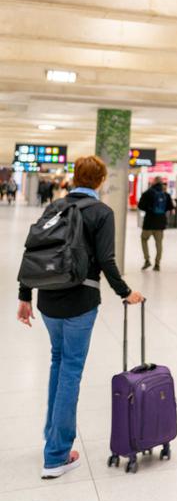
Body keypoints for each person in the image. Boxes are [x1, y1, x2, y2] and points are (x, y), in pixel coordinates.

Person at [17, 155, 144, 479]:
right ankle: (57, 455)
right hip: (80, 301)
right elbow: (106, 259)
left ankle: (52, 437)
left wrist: (24, 296)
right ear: (100, 181)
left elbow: (33, 249)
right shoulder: (101, 212)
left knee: (58, 363)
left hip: (48, 299)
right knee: (70, 370)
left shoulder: (55, 207)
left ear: (75, 177)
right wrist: (125, 292)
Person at [138, 176, 174, 272]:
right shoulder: (166, 194)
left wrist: (149, 209)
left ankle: (147, 260)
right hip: (160, 223)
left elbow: (140, 206)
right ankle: (157, 264)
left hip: (149, 222)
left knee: (144, 239)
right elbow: (170, 207)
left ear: (153, 182)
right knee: (159, 243)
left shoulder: (147, 193)